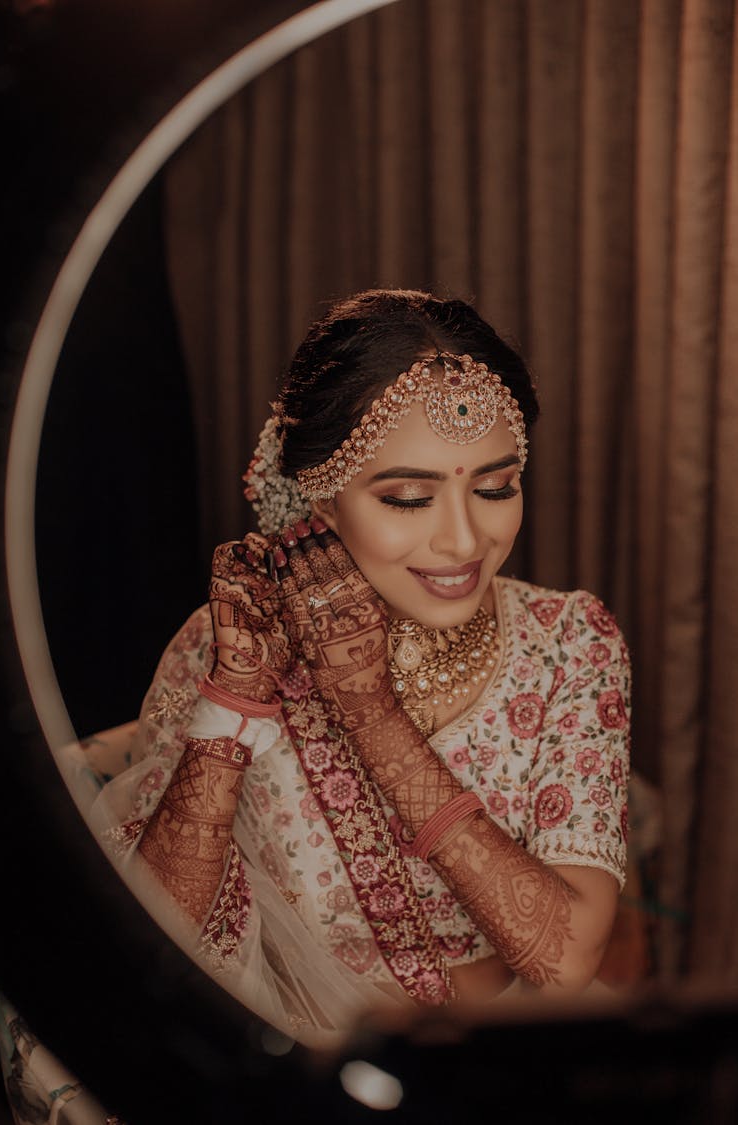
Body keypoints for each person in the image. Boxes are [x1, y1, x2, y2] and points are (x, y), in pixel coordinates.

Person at [92, 289, 630, 1045]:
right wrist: (233, 705)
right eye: (408, 497)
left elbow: (569, 957)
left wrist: (372, 713)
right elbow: (151, 967)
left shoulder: (571, 640)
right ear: (319, 496)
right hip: (298, 1075)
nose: (462, 539)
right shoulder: (233, 645)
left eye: (495, 486)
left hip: (499, 1067)